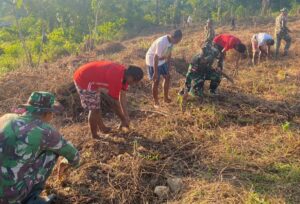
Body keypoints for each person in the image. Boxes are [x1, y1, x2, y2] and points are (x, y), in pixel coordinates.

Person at [0, 91, 80, 204]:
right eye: (52, 114)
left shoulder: (7, 118)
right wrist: (70, 163)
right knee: (51, 153)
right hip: (9, 197)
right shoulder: (46, 132)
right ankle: (30, 198)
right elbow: (74, 156)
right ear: (47, 113)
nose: (52, 117)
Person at [74, 61, 144, 139]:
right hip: (83, 78)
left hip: (91, 76)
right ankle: (95, 136)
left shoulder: (125, 76)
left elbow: (122, 95)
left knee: (96, 106)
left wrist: (126, 116)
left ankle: (103, 128)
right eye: (134, 81)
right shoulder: (116, 78)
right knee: (94, 109)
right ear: (130, 76)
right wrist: (123, 119)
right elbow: (114, 103)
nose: (133, 83)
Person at [146, 30, 183, 108]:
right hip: (152, 61)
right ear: (173, 37)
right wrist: (155, 72)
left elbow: (169, 53)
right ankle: (156, 102)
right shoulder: (161, 42)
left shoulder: (172, 41)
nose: (178, 42)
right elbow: (156, 57)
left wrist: (168, 65)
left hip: (161, 60)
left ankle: (166, 98)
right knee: (156, 81)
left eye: (179, 40)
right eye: (178, 40)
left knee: (168, 77)